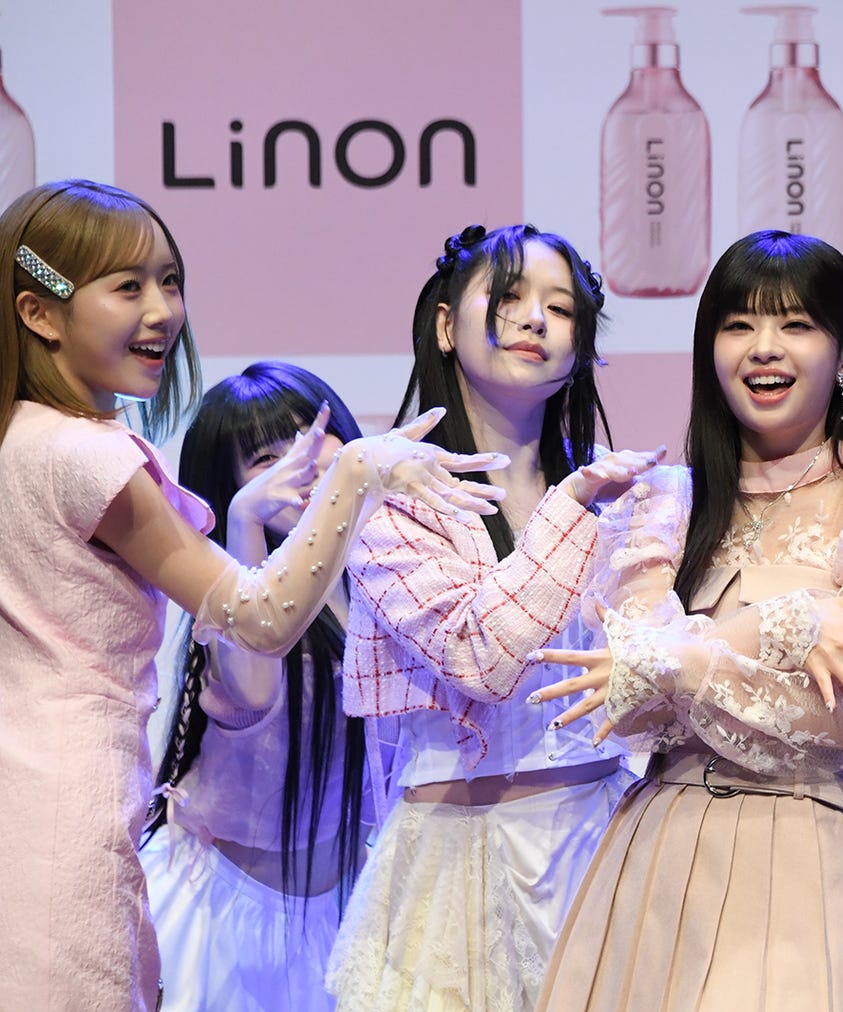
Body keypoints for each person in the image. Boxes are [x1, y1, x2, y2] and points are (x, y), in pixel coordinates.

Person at [0, 179, 504, 1011]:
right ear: (39, 311)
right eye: (127, 287)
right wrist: (357, 470)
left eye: (170, 280)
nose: (163, 311)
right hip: (73, 822)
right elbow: (261, 622)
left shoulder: (25, 438)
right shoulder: (88, 457)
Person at [531, 230, 843, 1011]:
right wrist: (776, 630)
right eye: (738, 325)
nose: (763, 347)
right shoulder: (662, 501)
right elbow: (624, 704)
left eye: (795, 324)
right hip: (657, 861)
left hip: (802, 852)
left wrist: (680, 661)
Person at [325, 223, 662, 1012]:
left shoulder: (628, 496)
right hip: (453, 870)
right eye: (509, 297)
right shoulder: (391, 499)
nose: (536, 319)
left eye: (562, 308)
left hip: (597, 853)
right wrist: (573, 506)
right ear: (447, 325)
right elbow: (480, 657)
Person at [140, 362, 371, 1011]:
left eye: (310, 436)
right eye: (266, 458)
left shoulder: (379, 581)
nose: (299, 465)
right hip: (224, 915)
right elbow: (253, 685)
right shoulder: (236, 612)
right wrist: (243, 522)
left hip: (336, 915)